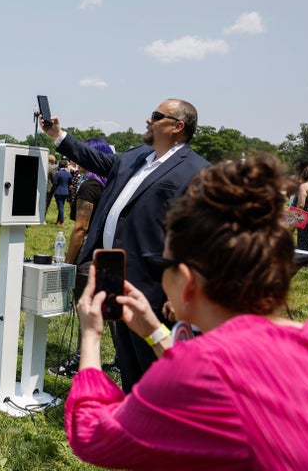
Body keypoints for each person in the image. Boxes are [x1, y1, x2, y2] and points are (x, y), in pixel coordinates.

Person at [65, 154, 308, 469]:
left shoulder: (199, 370)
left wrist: (90, 336)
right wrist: (154, 331)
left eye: (163, 265)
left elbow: (93, 434)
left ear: (186, 282)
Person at [41, 99, 208, 392]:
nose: (148, 119)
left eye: (157, 116)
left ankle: (158, 423)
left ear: (177, 126)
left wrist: (183, 289)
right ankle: (133, 413)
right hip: (111, 270)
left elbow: (200, 235)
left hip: (153, 281)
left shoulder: (197, 170)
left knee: (152, 360)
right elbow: (95, 160)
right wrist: (58, 135)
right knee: (126, 352)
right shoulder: (137, 157)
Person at [49, 138, 114, 378]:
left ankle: (79, 361)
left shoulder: (89, 187)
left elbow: (80, 228)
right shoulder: (113, 185)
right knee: (112, 313)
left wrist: (68, 262)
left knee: (86, 312)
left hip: (88, 259)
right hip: (111, 254)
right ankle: (121, 360)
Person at [53, 160, 72, 226]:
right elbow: (70, 183)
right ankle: (58, 221)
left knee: (60, 207)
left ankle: (61, 221)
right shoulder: (68, 173)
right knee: (61, 206)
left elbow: (55, 183)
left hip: (58, 191)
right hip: (65, 192)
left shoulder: (58, 173)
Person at [44, 154, 58, 220]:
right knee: (46, 204)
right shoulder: (52, 168)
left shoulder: (43, 166)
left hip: (40, 187)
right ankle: (42, 218)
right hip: (48, 188)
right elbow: (54, 179)